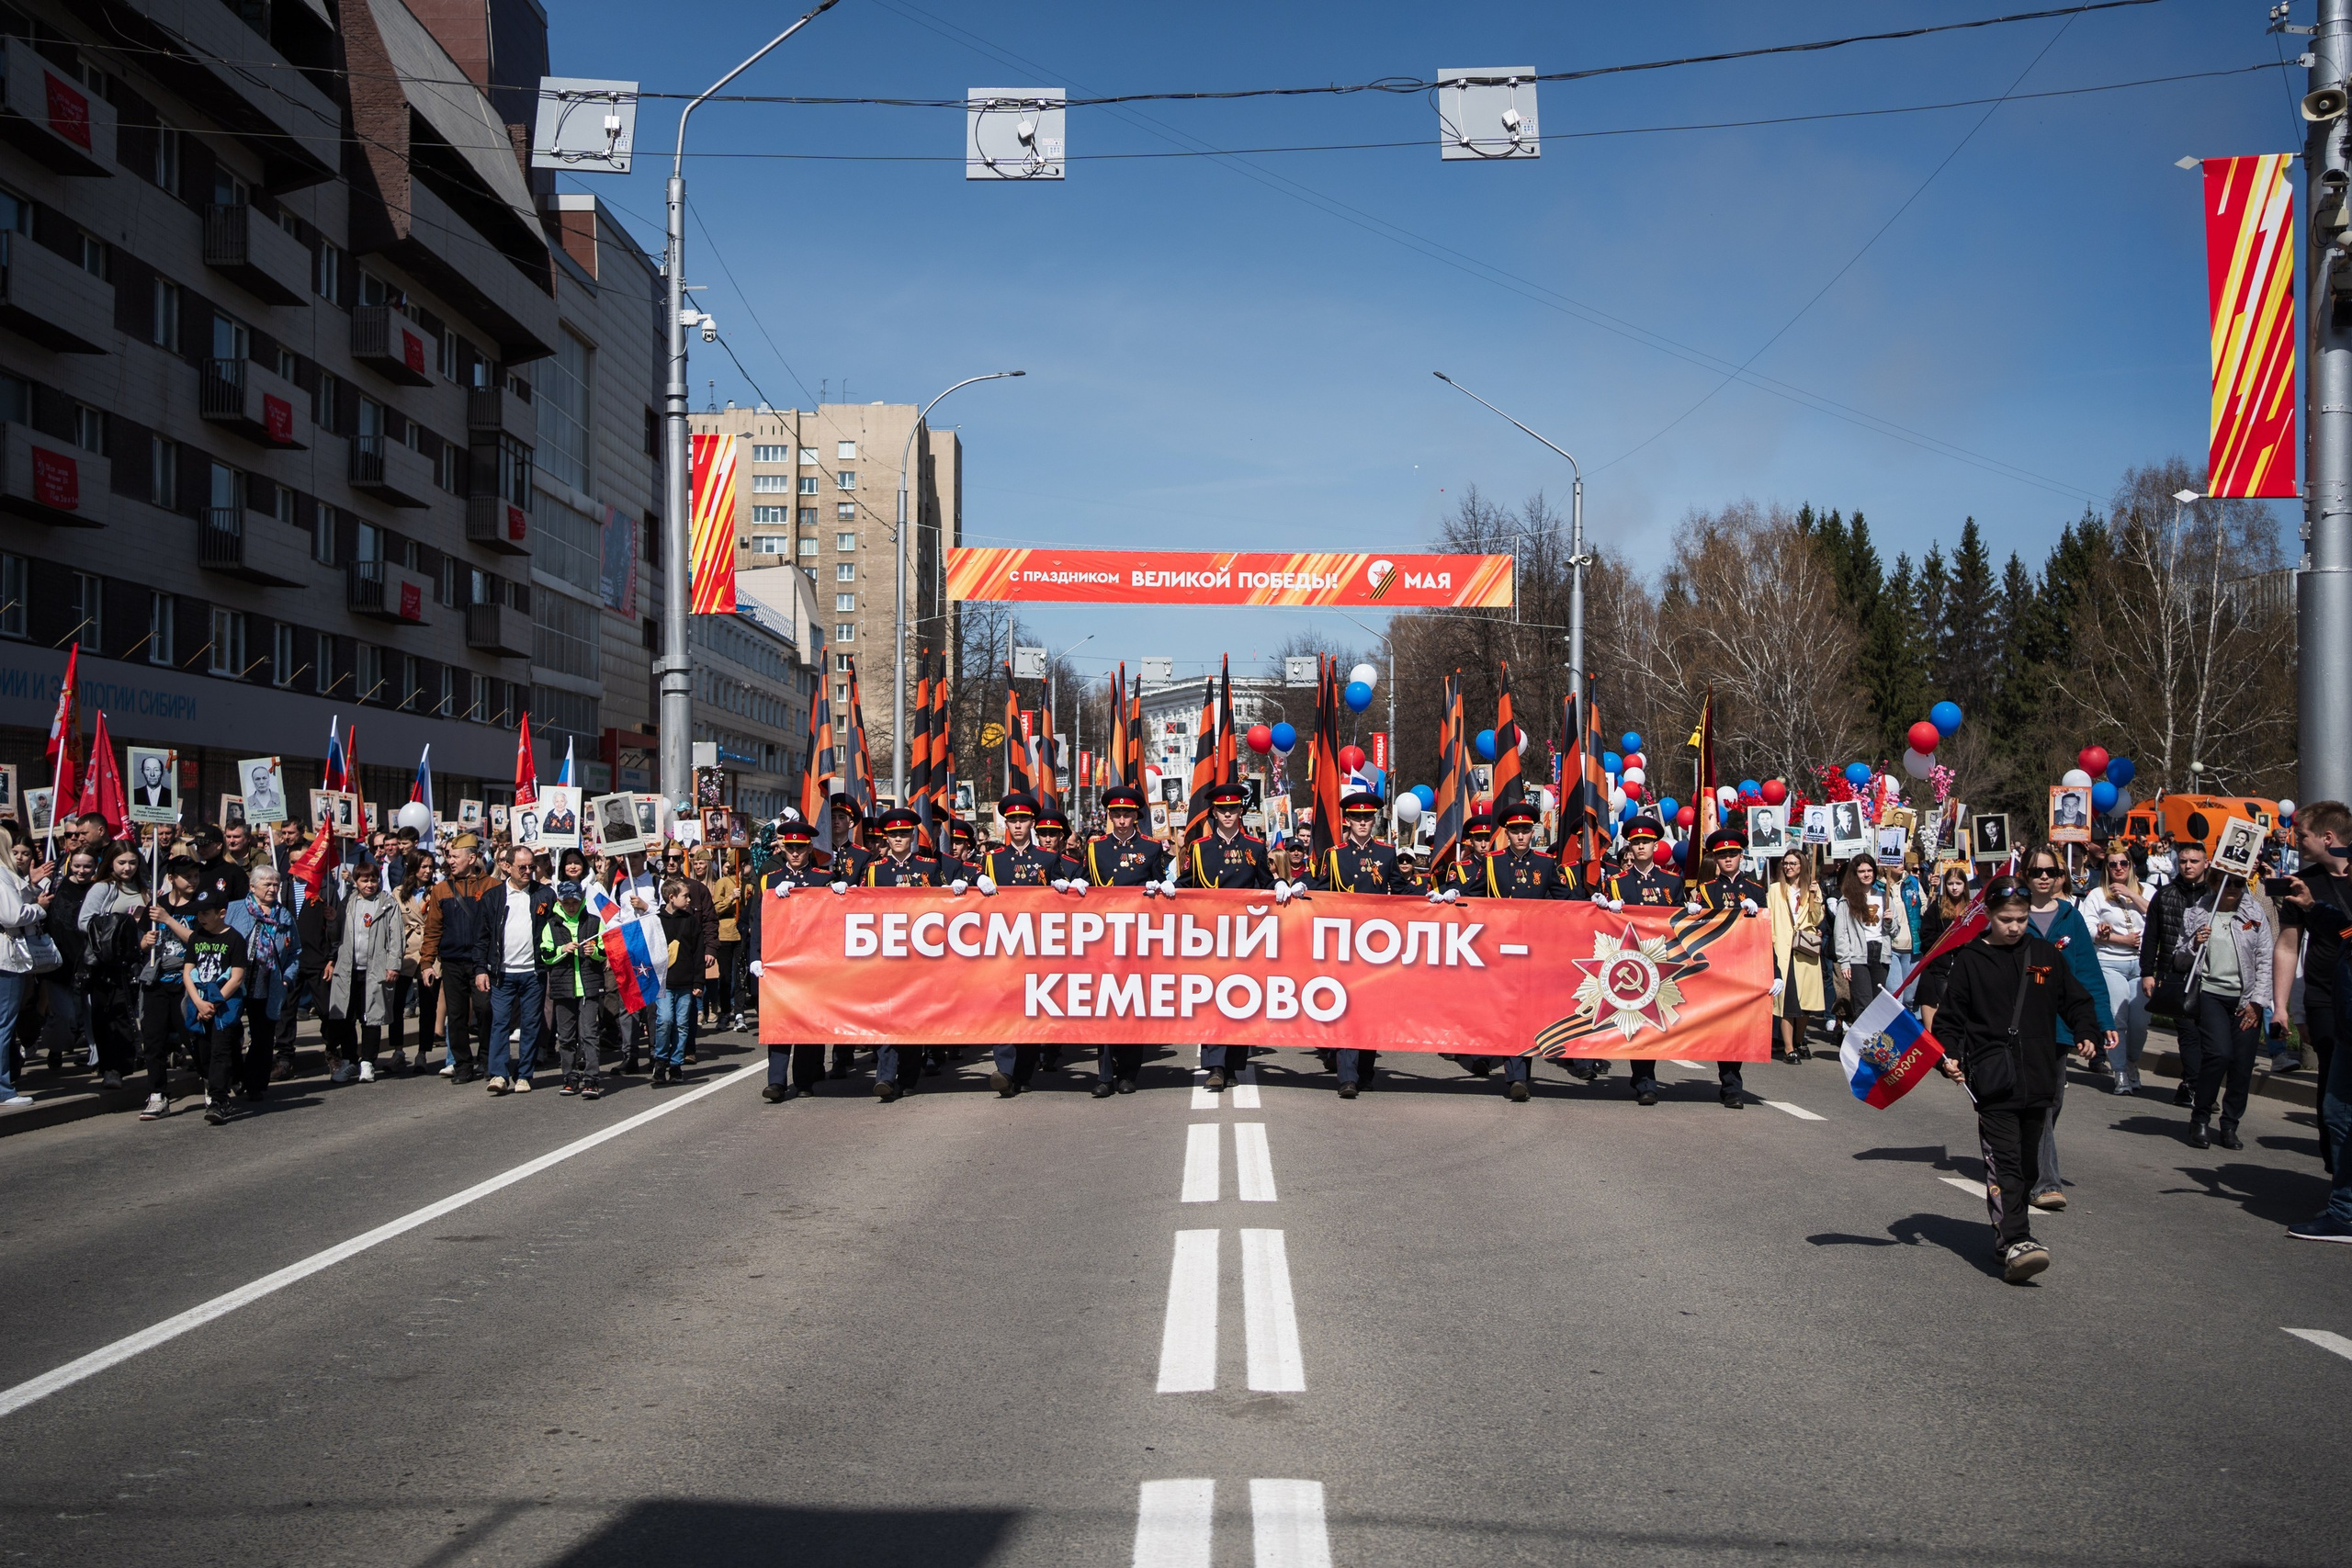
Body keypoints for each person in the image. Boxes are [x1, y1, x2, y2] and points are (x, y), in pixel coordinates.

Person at [1929, 875, 2114, 1283]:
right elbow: (1949, 1021)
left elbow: (2077, 999)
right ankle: (2017, 1239)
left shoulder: (2045, 953)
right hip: (1992, 1080)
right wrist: (1948, 1058)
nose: (2014, 927)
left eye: (2021, 918)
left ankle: (2005, 1237)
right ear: (1989, 917)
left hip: (2039, 1076)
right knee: (2006, 1164)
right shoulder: (1971, 960)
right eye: (2006, 919)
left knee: (2029, 1166)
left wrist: (2087, 1032)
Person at [2018, 844, 2114, 1211]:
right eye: (2037, 871)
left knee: (2053, 1101)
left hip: (2058, 1025)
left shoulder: (2071, 917)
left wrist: (2099, 1022)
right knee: (2042, 1102)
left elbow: (2087, 973)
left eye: (2051, 872)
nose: (2044, 877)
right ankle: (2045, 1182)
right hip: (2021, 1025)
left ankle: (2025, 1156)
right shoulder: (2013, 914)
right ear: (2026, 875)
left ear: (2061, 877)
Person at [1474, 800, 1579, 1101]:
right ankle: (1516, 1075)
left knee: (1526, 1014)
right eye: (1515, 831)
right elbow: (1472, 895)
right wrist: (1449, 897)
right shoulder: (1492, 863)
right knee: (1508, 1013)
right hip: (1500, 950)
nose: (1520, 836)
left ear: (1533, 833)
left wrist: (1594, 904)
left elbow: (1566, 900)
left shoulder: (1545, 865)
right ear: (1507, 833)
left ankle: (1520, 1074)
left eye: (1525, 831)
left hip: (1534, 953)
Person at [2170, 871, 2272, 1151]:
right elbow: (2178, 958)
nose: (2233, 888)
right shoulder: (2198, 913)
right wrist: (2194, 944)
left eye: (2239, 883)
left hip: (2246, 999)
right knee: (2218, 1054)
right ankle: (2200, 1117)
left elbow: (2265, 960)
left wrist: (2257, 1002)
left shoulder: (2255, 914)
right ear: (2214, 883)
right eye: (2226, 882)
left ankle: (2230, 1124)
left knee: (2241, 1065)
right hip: (2211, 994)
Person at [2277, 801, 2352, 1177]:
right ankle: (2337, 1175)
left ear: (2328, 837)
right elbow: (2288, 947)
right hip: (2325, 999)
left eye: (2302, 834)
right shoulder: (2302, 883)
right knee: (2332, 1092)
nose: (2296, 840)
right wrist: (2285, 1007)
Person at [1183, 781, 1274, 1089]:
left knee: (1239, 1000)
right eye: (1222, 809)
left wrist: (1281, 887)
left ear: (1240, 811)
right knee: (1211, 1001)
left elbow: (1265, 884)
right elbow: (1187, 884)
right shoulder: (1199, 849)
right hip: (1208, 939)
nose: (1227, 814)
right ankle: (1215, 1065)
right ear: (1214, 812)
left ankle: (1234, 1064)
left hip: (1244, 938)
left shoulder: (1255, 848)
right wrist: (1166, 888)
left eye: (1233, 809)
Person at [1081, 785, 1170, 1098]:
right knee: (1105, 1006)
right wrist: (1078, 883)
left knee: (1132, 1005)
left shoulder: (1151, 848)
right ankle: (1105, 1074)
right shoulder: (1095, 848)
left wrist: (1161, 887)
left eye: (1127, 815)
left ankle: (1129, 1072)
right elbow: (1086, 881)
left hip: (1137, 939)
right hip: (1103, 939)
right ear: (1109, 816)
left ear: (1136, 817)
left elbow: (1162, 884)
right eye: (1116, 814)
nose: (1121, 820)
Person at [1314, 790, 1403, 1098]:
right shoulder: (1334, 855)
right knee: (1347, 1010)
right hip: (1344, 944)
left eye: (1367, 818)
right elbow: (1320, 889)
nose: (1363, 823)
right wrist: (1298, 887)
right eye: (1357, 818)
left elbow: (1402, 890)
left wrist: (1432, 899)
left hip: (1377, 945)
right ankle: (1347, 1076)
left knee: (1370, 1011)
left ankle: (1365, 1071)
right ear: (1347, 821)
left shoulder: (1386, 854)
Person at [975, 792, 1062, 1096]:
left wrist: (1066, 889)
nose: (1018, 826)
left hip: (1037, 947)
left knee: (1030, 1013)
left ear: (1032, 823)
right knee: (1003, 1009)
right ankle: (1004, 1070)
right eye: (1012, 821)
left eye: (1023, 820)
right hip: (1003, 947)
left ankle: (1023, 1071)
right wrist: (975, 885)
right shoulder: (992, 860)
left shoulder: (1049, 859)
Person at [861, 807, 945, 1100]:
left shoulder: (929, 867)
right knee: (886, 1019)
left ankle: (908, 1077)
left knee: (912, 1022)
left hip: (919, 960)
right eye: (893, 835)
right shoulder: (875, 870)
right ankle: (885, 1077)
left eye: (903, 834)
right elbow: (862, 911)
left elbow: (942, 912)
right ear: (886, 837)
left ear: (912, 836)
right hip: (885, 958)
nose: (898, 839)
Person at [745, 819, 834, 1100]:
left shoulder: (822, 879)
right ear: (783, 848)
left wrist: (840, 893)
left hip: (811, 963)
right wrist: (755, 957)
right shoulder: (769, 880)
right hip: (779, 961)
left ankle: (805, 1079)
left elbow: (831, 925)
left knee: (807, 1023)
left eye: (801, 847)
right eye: (790, 847)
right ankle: (776, 1081)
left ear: (809, 849)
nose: (795, 853)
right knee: (779, 1023)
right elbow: (757, 921)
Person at [1690, 828, 1767, 1108]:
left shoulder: (1756, 891)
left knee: (1736, 1029)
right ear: (1716, 859)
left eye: (1733, 854)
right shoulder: (1705, 891)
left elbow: (1766, 935)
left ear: (1741, 855)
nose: (1728, 860)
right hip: (1713, 967)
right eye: (1722, 856)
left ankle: (1732, 1086)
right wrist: (1693, 914)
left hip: (1744, 968)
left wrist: (1776, 971)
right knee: (1715, 1027)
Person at [2142, 838, 2215, 1108]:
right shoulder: (2165, 894)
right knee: (2187, 1032)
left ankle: (2205, 1086)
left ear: (2206, 863)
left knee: (2209, 1033)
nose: (2187, 866)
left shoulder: (2216, 895)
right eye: (2183, 861)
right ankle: (2192, 1084)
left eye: (2194, 861)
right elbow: (2151, 937)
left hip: (2210, 972)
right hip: (2174, 972)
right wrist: (2147, 972)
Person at [420, 833, 496, 1086]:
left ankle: (486, 1058)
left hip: (481, 963)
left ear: (471, 858)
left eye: (455, 856)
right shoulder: (440, 890)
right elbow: (432, 930)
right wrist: (427, 963)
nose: (450, 861)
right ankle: (462, 1065)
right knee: (456, 1015)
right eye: (449, 856)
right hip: (452, 962)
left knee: (486, 1010)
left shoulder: (492, 887)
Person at [478, 843, 553, 1094]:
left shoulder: (544, 895)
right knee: (500, 1022)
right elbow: (483, 937)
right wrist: (481, 969)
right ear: (506, 866)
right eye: (522, 867)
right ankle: (499, 1074)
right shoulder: (493, 897)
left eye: (532, 866)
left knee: (531, 1023)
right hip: (503, 972)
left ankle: (524, 1075)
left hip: (533, 972)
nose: (528, 871)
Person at [2079, 846, 2154, 1093]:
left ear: (2131, 865)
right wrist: (2109, 936)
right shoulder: (2097, 896)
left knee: (2140, 1022)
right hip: (2111, 963)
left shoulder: (2148, 891)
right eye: (2112, 865)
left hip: (2143, 966)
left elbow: (2158, 917)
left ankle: (2132, 1063)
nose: (2118, 868)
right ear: (2106, 868)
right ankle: (2120, 1070)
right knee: (2117, 1019)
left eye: (2123, 863)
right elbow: (2087, 930)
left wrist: (2132, 895)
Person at [322, 861, 403, 1083]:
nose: (370, 884)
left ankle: (368, 1061)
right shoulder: (348, 902)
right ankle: (350, 1060)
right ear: (355, 882)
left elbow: (396, 936)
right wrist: (331, 922)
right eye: (364, 880)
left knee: (371, 1016)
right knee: (346, 1017)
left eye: (373, 879)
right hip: (349, 969)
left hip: (374, 970)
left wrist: (393, 964)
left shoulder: (387, 904)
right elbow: (336, 935)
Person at [78, 843, 149, 1089]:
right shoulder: (102, 888)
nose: (128, 868)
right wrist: (116, 926)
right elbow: (84, 922)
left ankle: (125, 1062)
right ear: (111, 863)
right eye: (122, 863)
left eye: (132, 862)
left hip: (132, 961)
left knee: (126, 1013)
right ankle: (110, 1067)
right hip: (105, 963)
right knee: (106, 1013)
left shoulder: (142, 887)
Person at [184, 889, 254, 1123]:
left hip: (224, 1004)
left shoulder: (234, 938)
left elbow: (236, 977)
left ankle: (219, 1100)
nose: (200, 918)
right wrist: (197, 1001)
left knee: (220, 1051)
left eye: (205, 913)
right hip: (200, 1002)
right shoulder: (196, 937)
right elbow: (188, 972)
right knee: (203, 1052)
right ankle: (236, 1075)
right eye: (198, 913)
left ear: (221, 913)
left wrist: (213, 1004)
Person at [136, 856, 199, 1119]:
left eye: (196, 876)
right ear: (171, 878)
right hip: (157, 981)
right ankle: (157, 1095)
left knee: (192, 1037)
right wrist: (145, 942)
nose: (194, 881)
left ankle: (213, 1084)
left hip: (187, 981)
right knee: (153, 1041)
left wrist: (169, 921)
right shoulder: (156, 906)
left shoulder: (200, 906)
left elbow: (197, 941)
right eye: (188, 876)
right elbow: (140, 944)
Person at [538, 879, 607, 1099]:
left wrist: (594, 950)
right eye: (566, 902)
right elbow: (545, 956)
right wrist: (563, 949)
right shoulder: (551, 924)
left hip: (588, 988)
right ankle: (569, 1077)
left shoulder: (595, 922)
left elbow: (606, 952)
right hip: (563, 988)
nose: (571, 906)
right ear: (559, 901)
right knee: (566, 1037)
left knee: (589, 1034)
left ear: (582, 901)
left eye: (575, 902)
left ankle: (591, 1078)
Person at [1769, 850, 1826, 1061]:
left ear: (1802, 865)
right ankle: (1788, 1047)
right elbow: (1770, 916)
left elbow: (1816, 919)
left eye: (1793, 863)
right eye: (1786, 863)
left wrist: (1816, 897)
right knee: (1787, 1001)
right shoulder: (1775, 890)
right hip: (1783, 948)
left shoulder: (1810, 890)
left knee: (1806, 1002)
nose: (1788, 867)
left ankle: (1800, 1039)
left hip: (1805, 950)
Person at [0, 825, 42, 1109]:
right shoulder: (1, 875)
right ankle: (3, 1088)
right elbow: (13, 914)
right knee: (4, 1026)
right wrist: (40, 908)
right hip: (5, 955)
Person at [1829, 856, 1897, 1021]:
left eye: (1869, 871)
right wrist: (1844, 961)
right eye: (1861, 871)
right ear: (1855, 874)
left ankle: (1875, 1042)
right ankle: (1863, 1044)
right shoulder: (1847, 900)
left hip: (1880, 954)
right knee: (1863, 1003)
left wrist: (1889, 921)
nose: (1866, 875)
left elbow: (1894, 932)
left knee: (1878, 1004)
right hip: (1858, 955)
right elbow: (1841, 933)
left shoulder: (1885, 897)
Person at [651, 877, 703, 1086]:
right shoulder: (655, 921)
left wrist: (698, 982)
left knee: (682, 1024)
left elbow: (698, 952)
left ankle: (676, 1064)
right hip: (663, 984)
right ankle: (661, 1060)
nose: (689, 899)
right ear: (671, 898)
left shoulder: (690, 920)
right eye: (685, 896)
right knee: (664, 1021)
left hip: (685, 982)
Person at [1914, 863, 1973, 1031]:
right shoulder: (1937, 906)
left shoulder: (1971, 908)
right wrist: (1948, 940)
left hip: (1961, 967)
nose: (1954, 888)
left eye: (1958, 883)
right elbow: (1925, 935)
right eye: (1950, 883)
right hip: (1937, 968)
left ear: (1964, 885)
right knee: (1934, 1023)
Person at [705, 852, 743, 1034]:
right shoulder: (724, 882)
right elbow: (715, 908)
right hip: (726, 933)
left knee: (741, 975)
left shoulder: (747, 882)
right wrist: (730, 899)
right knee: (726, 976)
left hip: (742, 933)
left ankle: (740, 1012)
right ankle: (725, 1012)